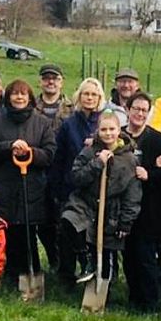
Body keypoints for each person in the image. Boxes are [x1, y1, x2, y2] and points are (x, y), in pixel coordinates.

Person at [0, 79, 56, 283]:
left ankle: (31, 273)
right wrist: (9, 146)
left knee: (28, 231)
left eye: (23, 93)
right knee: (6, 231)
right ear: (8, 97)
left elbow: (50, 154)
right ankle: (7, 273)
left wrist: (31, 152)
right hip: (3, 186)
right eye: (15, 94)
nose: (19, 97)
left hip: (31, 187)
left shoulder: (42, 123)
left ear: (30, 97)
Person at [61, 110, 142, 284]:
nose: (108, 133)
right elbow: (76, 177)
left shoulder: (128, 158)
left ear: (119, 130)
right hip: (85, 204)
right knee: (69, 223)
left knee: (106, 254)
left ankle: (105, 288)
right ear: (98, 131)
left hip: (111, 210)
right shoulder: (89, 152)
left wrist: (126, 221)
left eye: (112, 129)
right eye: (104, 130)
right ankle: (86, 261)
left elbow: (132, 193)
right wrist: (97, 164)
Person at [121, 92, 161, 312]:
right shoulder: (120, 136)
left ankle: (150, 302)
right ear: (128, 109)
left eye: (144, 110)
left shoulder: (156, 139)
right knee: (128, 255)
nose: (140, 114)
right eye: (136, 109)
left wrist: (150, 174)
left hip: (149, 209)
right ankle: (133, 297)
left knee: (145, 256)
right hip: (123, 207)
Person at [51, 77, 106, 285]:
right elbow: (60, 156)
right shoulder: (69, 124)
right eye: (86, 94)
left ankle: (96, 271)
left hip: (97, 189)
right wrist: (57, 187)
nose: (90, 98)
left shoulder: (104, 122)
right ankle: (66, 276)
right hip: (71, 186)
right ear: (79, 96)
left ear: (100, 98)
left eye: (94, 94)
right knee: (67, 229)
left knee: (92, 233)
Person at [35, 63, 74, 270]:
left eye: (55, 78)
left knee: (61, 218)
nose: (50, 82)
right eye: (46, 78)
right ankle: (52, 257)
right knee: (42, 221)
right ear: (40, 81)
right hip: (36, 169)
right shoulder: (31, 106)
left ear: (61, 82)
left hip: (62, 170)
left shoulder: (71, 108)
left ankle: (63, 262)